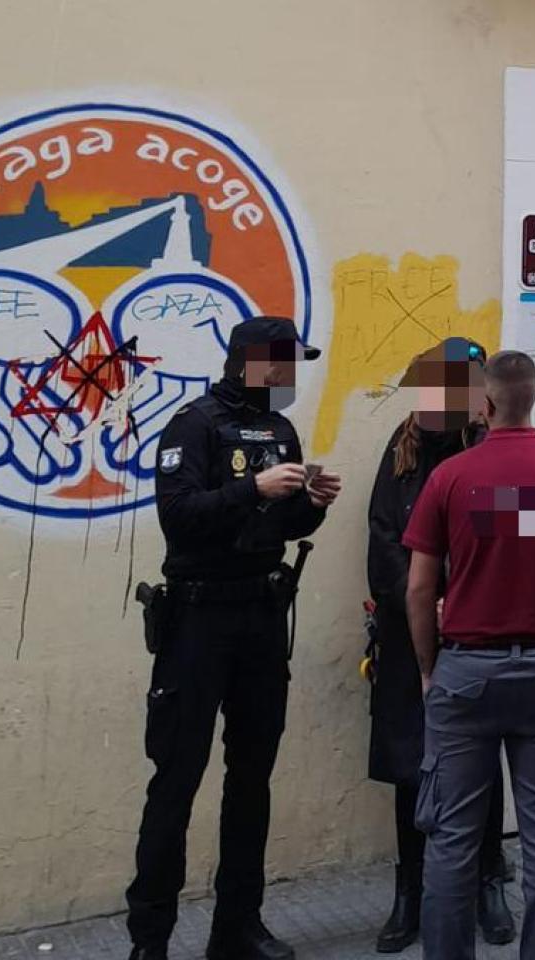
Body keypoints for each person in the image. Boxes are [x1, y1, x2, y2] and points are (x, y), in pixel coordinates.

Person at [126, 316, 342, 960]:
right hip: (198, 622)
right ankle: (150, 940)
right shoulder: (193, 424)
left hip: (260, 617)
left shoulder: (280, 430)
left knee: (252, 777)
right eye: (285, 363)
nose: (292, 375)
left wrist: (311, 504)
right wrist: (252, 488)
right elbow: (177, 516)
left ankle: (238, 925)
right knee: (177, 779)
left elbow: (283, 522)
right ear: (254, 361)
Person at [403, 351, 535, 960]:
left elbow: (418, 589)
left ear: (486, 403)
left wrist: (428, 668)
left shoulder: (450, 477)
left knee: (453, 840)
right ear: (534, 400)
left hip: (466, 673)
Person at [365, 340, 515, 952]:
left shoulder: (489, 451)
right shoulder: (400, 452)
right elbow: (383, 538)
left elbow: (512, 537)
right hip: (409, 636)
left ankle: (488, 881)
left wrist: (464, 601)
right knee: (411, 762)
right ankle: (410, 891)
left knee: (481, 760)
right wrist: (420, 603)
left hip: (476, 633)